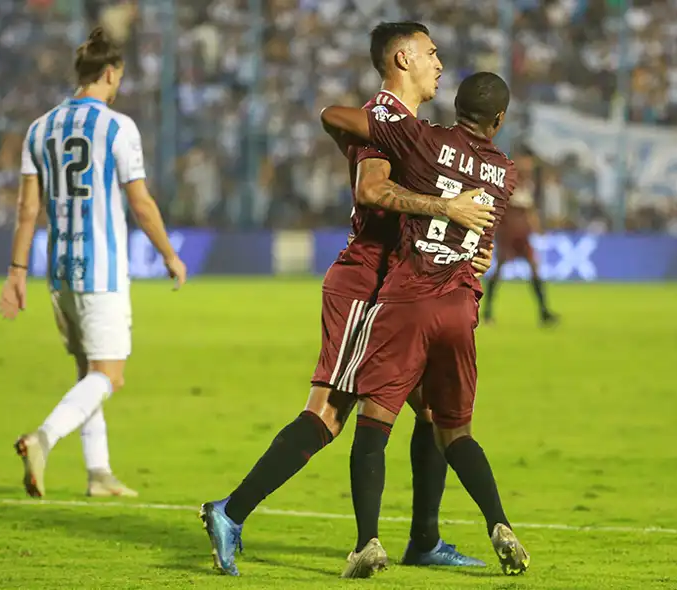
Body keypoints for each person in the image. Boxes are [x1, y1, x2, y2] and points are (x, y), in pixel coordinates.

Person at [200, 22, 495, 577]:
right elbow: (370, 189)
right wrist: (446, 209)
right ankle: (230, 511)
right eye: (431, 52)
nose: (439, 62)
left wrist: (464, 251)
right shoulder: (381, 129)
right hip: (368, 285)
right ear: (403, 58)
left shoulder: (417, 133)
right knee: (329, 414)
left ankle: (425, 540)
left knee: (433, 414)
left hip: (411, 291)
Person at [319, 71, 530, 577]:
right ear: (499, 121)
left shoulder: (424, 139)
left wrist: (383, 124)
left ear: (455, 106)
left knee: (373, 425)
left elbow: (340, 119)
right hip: (461, 306)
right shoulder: (507, 171)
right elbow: (482, 241)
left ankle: (367, 541)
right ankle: (498, 522)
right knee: (453, 430)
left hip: (409, 299)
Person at [0, 27, 186, 498]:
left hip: (57, 270)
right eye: (118, 77)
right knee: (109, 375)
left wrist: (15, 272)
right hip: (101, 270)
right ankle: (42, 438)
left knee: (87, 373)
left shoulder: (39, 128)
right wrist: (168, 253)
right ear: (108, 73)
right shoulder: (118, 127)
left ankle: (98, 472)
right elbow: (140, 203)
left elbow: (26, 210)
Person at [482, 153, 558, 325]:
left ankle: (544, 311)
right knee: (499, 269)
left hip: (523, 234)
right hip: (507, 234)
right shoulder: (506, 182)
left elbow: (529, 210)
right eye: (526, 165)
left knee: (534, 268)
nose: (528, 168)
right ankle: (487, 312)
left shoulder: (528, 185)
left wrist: (537, 227)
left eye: (530, 166)